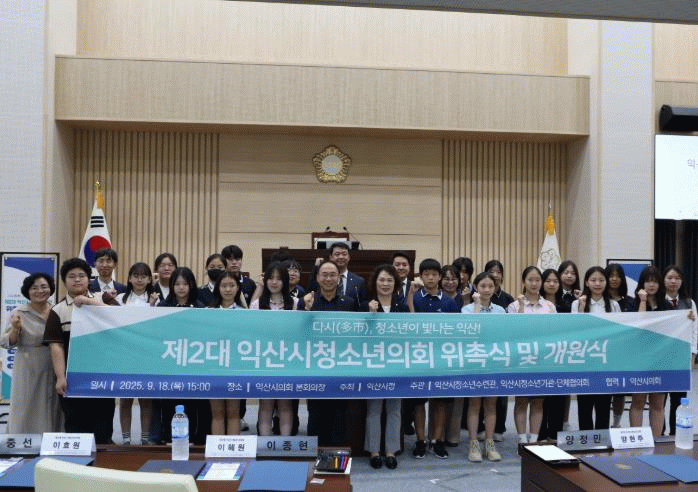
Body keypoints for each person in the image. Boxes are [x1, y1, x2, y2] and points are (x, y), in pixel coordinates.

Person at [42, 258, 116, 443]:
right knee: (75, 424)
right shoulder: (57, 310)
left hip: (102, 375)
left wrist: (89, 302)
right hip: (73, 378)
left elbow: (120, 318)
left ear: (88, 279)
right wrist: (61, 377)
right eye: (71, 276)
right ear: (64, 281)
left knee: (103, 424)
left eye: (81, 276)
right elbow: (56, 346)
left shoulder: (103, 298)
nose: (77, 280)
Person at [299, 260, 358, 445]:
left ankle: (336, 454)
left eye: (332, 275)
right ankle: (315, 453)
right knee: (315, 413)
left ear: (338, 278)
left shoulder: (349, 303)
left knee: (339, 413)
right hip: (315, 368)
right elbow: (299, 333)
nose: (328, 278)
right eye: (324, 274)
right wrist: (306, 310)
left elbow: (355, 335)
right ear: (317, 278)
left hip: (340, 368)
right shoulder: (307, 302)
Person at [364, 264, 415, 470]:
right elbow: (360, 336)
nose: (385, 284)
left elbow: (410, 331)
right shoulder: (365, 305)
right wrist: (370, 315)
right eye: (382, 280)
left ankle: (391, 451)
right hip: (373, 364)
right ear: (375, 282)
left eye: (389, 280)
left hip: (396, 364)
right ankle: (374, 451)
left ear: (395, 284)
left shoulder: (401, 307)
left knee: (394, 409)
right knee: (374, 409)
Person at [1, 273, 63, 433]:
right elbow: (7, 342)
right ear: (27, 292)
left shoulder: (57, 310)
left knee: (53, 404)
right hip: (28, 366)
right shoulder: (19, 312)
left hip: (54, 363)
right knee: (26, 405)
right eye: (34, 288)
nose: (40, 291)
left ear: (51, 289)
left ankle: (51, 439)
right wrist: (15, 328)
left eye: (44, 287)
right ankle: (23, 440)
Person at [412, 258, 459, 459]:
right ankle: (420, 441)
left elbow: (456, 330)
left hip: (441, 358)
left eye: (434, 274)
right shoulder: (415, 298)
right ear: (421, 276)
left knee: (441, 402)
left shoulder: (449, 302)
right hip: (418, 357)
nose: (430, 278)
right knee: (419, 402)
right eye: (426, 274)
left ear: (439, 277)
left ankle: (438, 440)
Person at [507, 266, 556, 443]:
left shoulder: (549, 306)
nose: (534, 284)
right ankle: (522, 439)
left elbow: (555, 333)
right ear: (524, 282)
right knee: (521, 400)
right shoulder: (513, 306)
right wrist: (521, 307)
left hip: (542, 358)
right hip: (522, 358)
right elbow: (513, 331)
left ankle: (534, 440)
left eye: (537, 280)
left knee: (538, 401)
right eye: (530, 280)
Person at [160, 267, 209, 444]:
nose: (181, 288)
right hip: (169, 362)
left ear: (191, 285)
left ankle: (192, 437)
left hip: (192, 364)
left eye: (185, 284)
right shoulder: (162, 307)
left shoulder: (200, 307)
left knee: (192, 402)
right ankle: (168, 436)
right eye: (177, 284)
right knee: (169, 402)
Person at [251, 263, 298, 436]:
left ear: (285, 281)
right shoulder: (257, 304)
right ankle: (265, 443)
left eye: (279, 278)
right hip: (265, 360)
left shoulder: (295, 303)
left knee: (285, 405)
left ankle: (285, 443)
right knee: (266, 405)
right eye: (271, 278)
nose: (274, 282)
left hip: (288, 360)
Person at [114, 262, 158, 445]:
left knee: (145, 399)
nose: (139, 279)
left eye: (143, 276)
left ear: (149, 279)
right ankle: (126, 438)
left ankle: (145, 438)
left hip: (147, 355)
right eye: (136, 276)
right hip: (125, 354)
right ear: (130, 278)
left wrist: (152, 306)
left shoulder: (157, 299)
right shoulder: (120, 299)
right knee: (125, 399)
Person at [462, 272, 504, 462]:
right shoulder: (467, 309)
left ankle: (489, 442)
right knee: (474, 403)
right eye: (483, 286)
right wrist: (477, 304)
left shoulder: (500, 311)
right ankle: (473, 444)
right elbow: (472, 329)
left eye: (490, 286)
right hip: (474, 360)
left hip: (493, 361)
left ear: (495, 288)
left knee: (491, 404)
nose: (487, 290)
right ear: (475, 288)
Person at [572, 266, 620, 431]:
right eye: (593, 280)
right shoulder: (577, 303)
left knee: (603, 405)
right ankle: (586, 439)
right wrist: (581, 308)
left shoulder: (613, 305)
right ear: (586, 282)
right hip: (584, 361)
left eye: (601, 280)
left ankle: (602, 440)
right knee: (584, 405)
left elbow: (619, 333)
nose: (597, 284)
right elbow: (574, 331)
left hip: (605, 362)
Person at [628, 265, 672, 437]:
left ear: (660, 284)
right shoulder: (633, 303)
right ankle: (637, 438)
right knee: (638, 401)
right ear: (641, 284)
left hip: (661, 360)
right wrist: (643, 301)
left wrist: (688, 317)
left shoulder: (666, 305)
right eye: (647, 281)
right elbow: (638, 326)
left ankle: (656, 440)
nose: (651, 285)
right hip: (639, 360)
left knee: (657, 404)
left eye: (655, 281)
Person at [663, 265, 698, 435]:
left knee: (678, 399)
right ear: (663, 280)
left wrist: (693, 353)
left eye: (677, 278)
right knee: (659, 399)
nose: (673, 281)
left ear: (682, 281)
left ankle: (675, 434)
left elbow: (694, 330)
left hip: (681, 356)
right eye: (670, 277)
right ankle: (659, 433)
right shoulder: (658, 302)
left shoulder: (689, 303)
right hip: (661, 358)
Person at [209, 271, 244, 435]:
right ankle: (218, 449)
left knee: (233, 413)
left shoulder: (245, 313)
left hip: (235, 368)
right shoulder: (208, 312)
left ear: (238, 288)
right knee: (217, 414)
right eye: (224, 286)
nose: (228, 289)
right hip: (213, 367)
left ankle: (233, 449)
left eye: (232, 285)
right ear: (218, 288)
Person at [483, 259, 514, 441]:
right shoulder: (478, 297)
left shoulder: (507, 299)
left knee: (500, 393)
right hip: (481, 351)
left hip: (500, 351)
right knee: (481, 392)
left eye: (498, 272)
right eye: (491, 271)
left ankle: (499, 429)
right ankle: (482, 428)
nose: (495, 275)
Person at [537, 268, 565, 441]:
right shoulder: (538, 304)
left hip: (561, 353)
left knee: (558, 395)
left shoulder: (566, 303)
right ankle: (540, 433)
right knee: (541, 396)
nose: (552, 284)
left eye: (555, 281)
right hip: (541, 354)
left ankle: (555, 433)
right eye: (548, 281)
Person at [605, 263, 634, 427]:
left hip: (623, 352)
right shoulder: (599, 301)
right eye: (611, 275)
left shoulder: (631, 302)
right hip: (602, 351)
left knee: (619, 391)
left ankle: (616, 424)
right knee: (601, 390)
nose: (614, 279)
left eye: (617, 276)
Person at [556, 260, 581, 430]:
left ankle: (564, 421)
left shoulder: (579, 296)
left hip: (572, 345)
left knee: (567, 385)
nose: (569, 276)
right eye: (566, 272)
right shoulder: (553, 294)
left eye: (573, 273)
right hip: (554, 344)